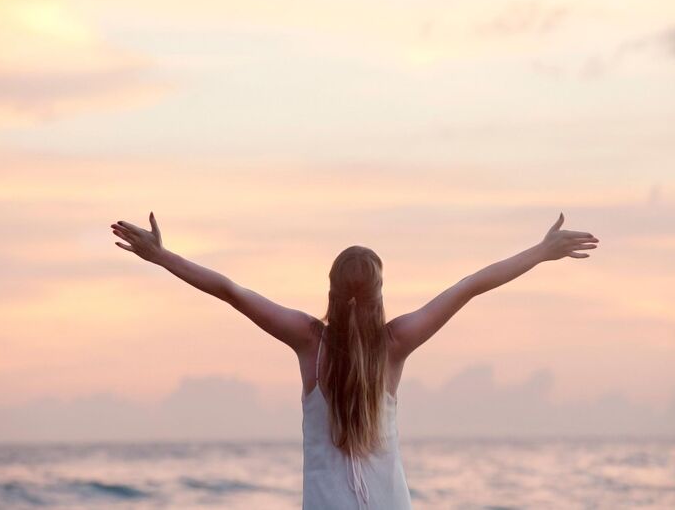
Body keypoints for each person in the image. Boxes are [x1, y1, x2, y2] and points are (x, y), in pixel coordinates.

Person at [110, 211, 598, 509]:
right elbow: (471, 285)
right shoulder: (398, 341)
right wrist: (540, 252)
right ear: (379, 293)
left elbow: (231, 291)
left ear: (332, 287)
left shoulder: (308, 341)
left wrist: (162, 257)